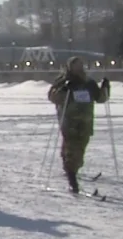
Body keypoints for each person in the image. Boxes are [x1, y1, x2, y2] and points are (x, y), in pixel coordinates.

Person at [45, 56, 109, 194]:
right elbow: (53, 96)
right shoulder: (63, 81)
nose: (79, 67)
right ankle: (72, 179)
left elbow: (100, 98)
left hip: (85, 122)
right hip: (69, 122)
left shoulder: (89, 83)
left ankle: (70, 167)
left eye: (80, 64)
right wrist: (63, 91)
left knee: (79, 148)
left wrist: (105, 88)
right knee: (73, 151)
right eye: (76, 65)